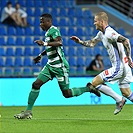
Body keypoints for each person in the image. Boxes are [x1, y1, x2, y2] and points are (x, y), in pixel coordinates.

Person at [14, 13, 100, 119]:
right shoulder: (48, 33)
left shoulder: (54, 30)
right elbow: (51, 47)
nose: (40, 24)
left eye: (42, 22)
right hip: (50, 65)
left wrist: (44, 44)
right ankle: (28, 112)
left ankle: (88, 88)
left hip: (60, 66)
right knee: (36, 84)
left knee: (67, 94)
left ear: (49, 22)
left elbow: (59, 43)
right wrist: (41, 55)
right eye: (40, 22)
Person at [71, 12, 133, 115]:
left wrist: (129, 57)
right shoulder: (101, 33)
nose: (94, 23)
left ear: (102, 21)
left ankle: (119, 100)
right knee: (126, 92)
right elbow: (92, 43)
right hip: (124, 66)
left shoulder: (109, 33)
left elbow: (125, 40)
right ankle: (120, 99)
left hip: (120, 67)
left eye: (95, 21)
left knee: (94, 83)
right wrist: (80, 42)